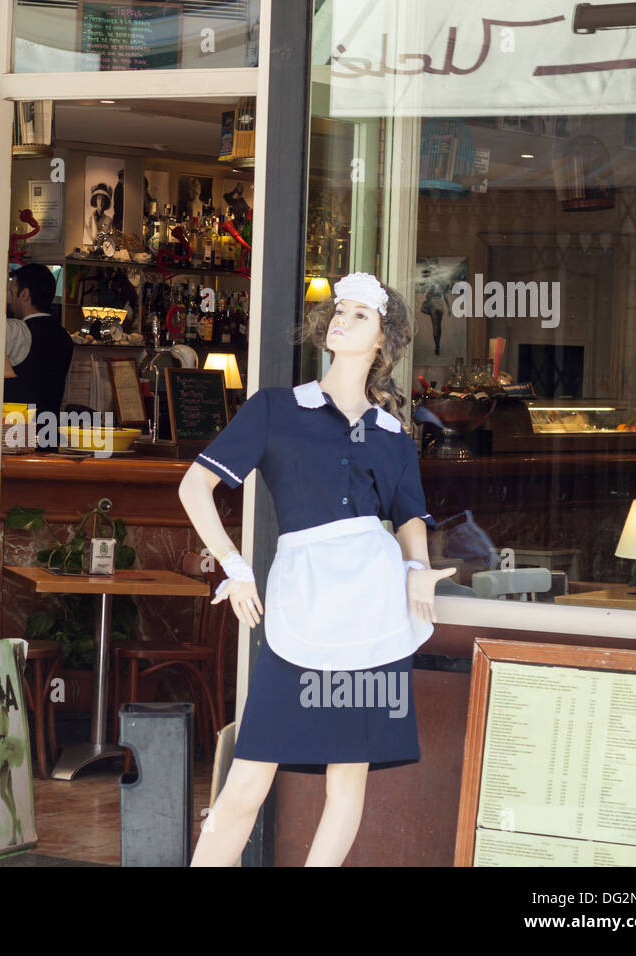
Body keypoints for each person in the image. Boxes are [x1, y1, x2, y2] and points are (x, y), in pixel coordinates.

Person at [180, 272, 453, 867]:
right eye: (339, 310)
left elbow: (409, 518)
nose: (342, 319)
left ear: (385, 341)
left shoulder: (393, 436)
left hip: (373, 615)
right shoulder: (277, 409)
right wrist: (234, 565)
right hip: (300, 608)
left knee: (348, 780)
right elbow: (194, 486)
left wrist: (417, 570)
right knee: (248, 779)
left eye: (361, 315)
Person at [2, 264, 72, 449]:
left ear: (24, 295)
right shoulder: (63, 335)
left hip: (16, 437)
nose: (9, 299)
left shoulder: (18, 333)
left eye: (12, 292)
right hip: (49, 436)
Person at [0, 682, 25, 846]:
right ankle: (15, 834)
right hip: (4, 749)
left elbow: (2, 735)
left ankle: (16, 823)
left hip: (3, 751)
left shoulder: (2, 709)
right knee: (9, 793)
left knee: (3, 793)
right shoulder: (4, 709)